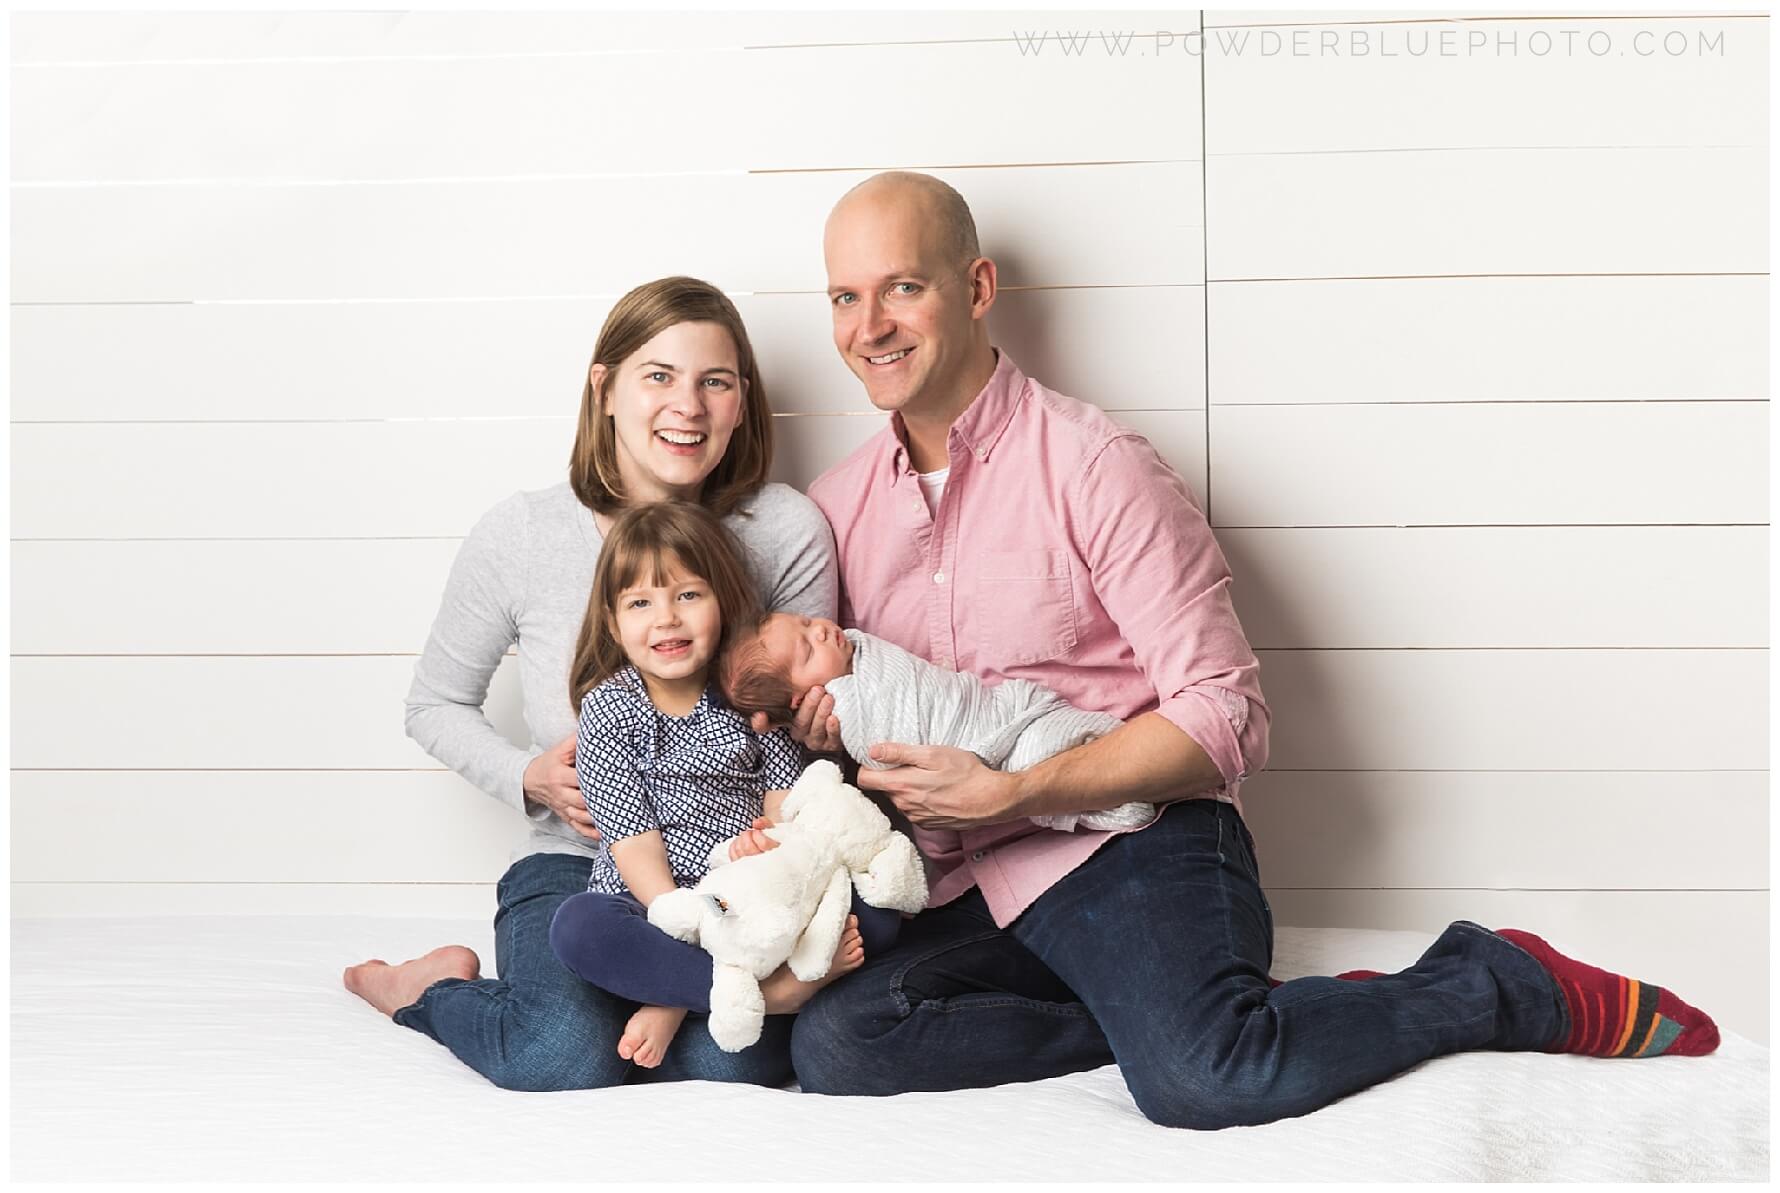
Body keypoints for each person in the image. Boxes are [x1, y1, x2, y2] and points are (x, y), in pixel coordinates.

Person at [770, 171, 1719, 1128]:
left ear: (975, 289)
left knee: (1206, 1076)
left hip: (1130, 841)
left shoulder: (1097, 467)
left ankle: (1494, 983)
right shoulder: (839, 508)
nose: (870, 326)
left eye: (902, 288)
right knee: (838, 1042)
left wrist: (1016, 789)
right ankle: (1179, 1010)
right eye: (845, 297)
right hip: (967, 879)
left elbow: (1225, 715)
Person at [342, 276, 844, 1091]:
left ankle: (669, 999)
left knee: (735, 1057)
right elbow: (434, 703)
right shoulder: (523, 532)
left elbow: (802, 711)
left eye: (715, 381)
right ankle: (427, 988)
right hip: (578, 868)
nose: (688, 404)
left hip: (734, 867)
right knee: (556, 1050)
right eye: (659, 375)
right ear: (603, 386)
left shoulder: (783, 530)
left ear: (742, 403)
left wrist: (815, 745)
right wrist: (528, 776)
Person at [543, 503, 899, 1068]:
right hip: (659, 908)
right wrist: (684, 922)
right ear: (614, 623)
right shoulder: (609, 710)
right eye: (641, 603)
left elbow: (786, 808)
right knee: (579, 926)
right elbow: (632, 843)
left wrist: (772, 852)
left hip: (753, 892)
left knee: (880, 902)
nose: (666, 619)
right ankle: (755, 990)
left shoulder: (747, 697)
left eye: (687, 595)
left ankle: (684, 995)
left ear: (722, 603)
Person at [719, 611, 1151, 832]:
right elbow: (889, 755)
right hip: (985, 745)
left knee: (1080, 743)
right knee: (1045, 754)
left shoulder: (857, 650)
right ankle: (1125, 789)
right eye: (808, 651)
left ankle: (1140, 766)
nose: (821, 632)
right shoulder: (847, 705)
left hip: (997, 711)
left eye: (808, 622)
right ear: (803, 699)